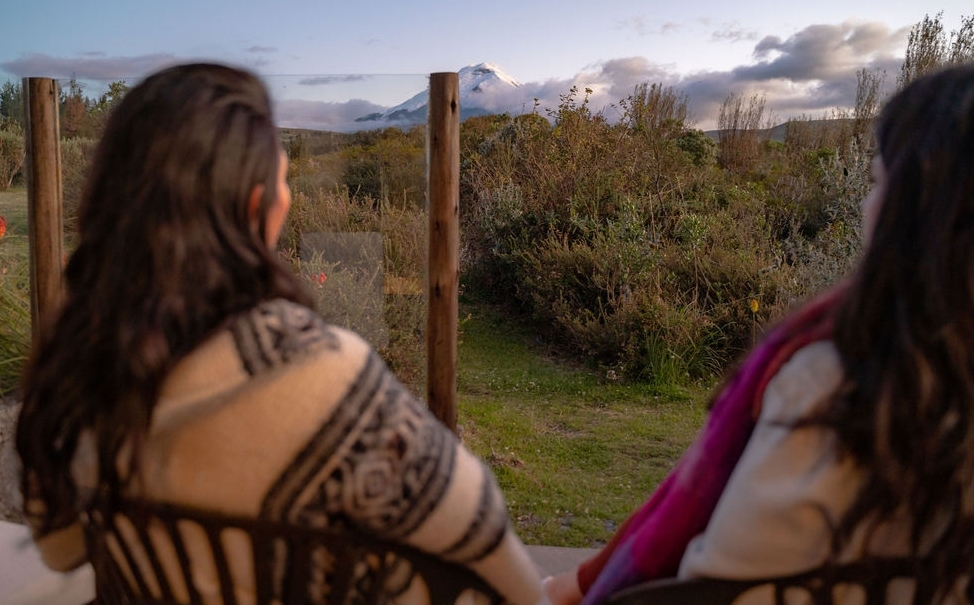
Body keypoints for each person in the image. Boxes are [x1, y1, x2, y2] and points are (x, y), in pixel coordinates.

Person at [15, 63, 546, 605]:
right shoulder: (328, 383)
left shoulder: (83, 373)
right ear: (254, 206)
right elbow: (493, 560)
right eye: (284, 179)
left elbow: (60, 548)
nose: (289, 198)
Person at [545, 63, 974, 605]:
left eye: (876, 181)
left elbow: (721, 578)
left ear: (913, 210)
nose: (867, 204)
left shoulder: (831, 379)